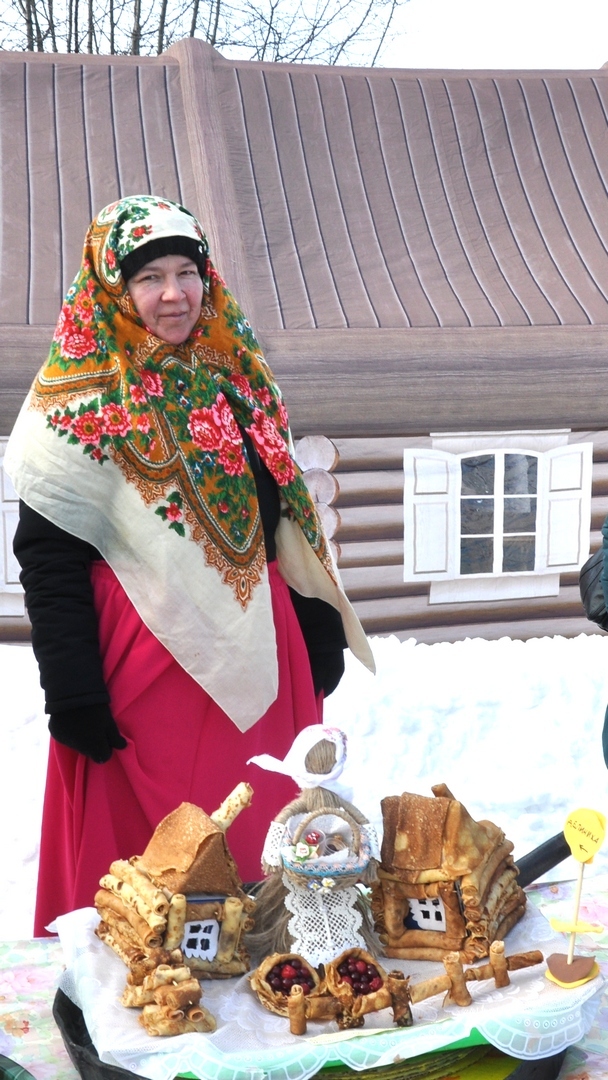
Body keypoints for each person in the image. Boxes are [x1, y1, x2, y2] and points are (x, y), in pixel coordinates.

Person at [5, 195, 374, 936]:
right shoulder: (75, 403)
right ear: (113, 288)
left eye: (187, 272)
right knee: (147, 869)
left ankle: (266, 967)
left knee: (260, 833)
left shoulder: (238, 374)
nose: (174, 294)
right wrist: (71, 688)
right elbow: (48, 555)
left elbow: (285, 515)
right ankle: (137, 986)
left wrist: (315, 623)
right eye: (149, 278)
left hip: (261, 650)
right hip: (139, 671)